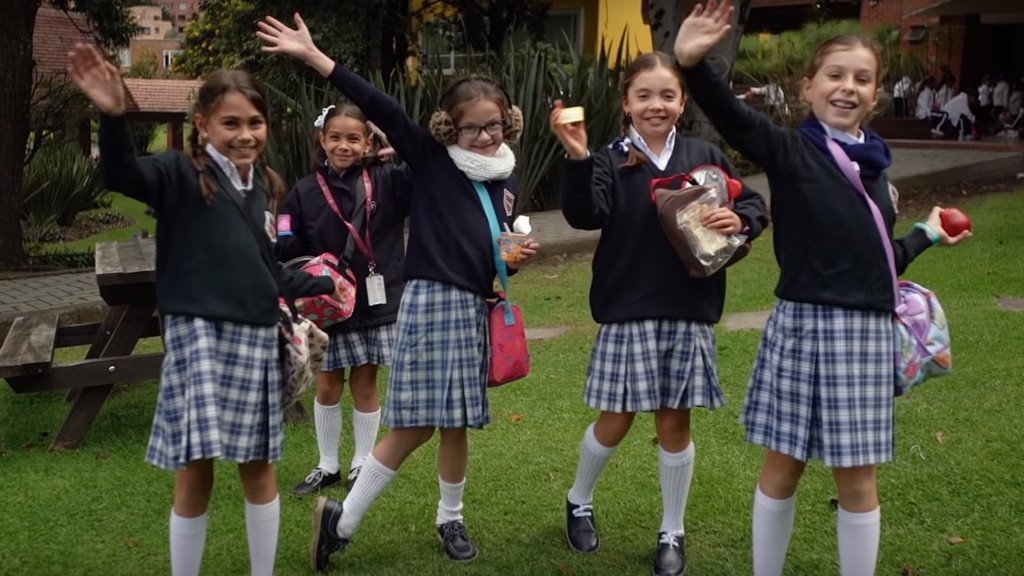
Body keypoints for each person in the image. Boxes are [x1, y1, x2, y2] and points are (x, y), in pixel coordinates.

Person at [671, 2, 971, 575]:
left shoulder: (877, 171)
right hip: (802, 326)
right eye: (834, 75)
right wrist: (693, 65)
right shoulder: (793, 150)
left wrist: (924, 234)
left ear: (876, 95)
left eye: (862, 78)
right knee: (782, 465)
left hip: (863, 335)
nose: (847, 87)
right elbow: (736, 119)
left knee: (857, 474)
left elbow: (876, 264)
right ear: (807, 88)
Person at [256, 13, 541, 572]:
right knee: (415, 424)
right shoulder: (432, 159)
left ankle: (449, 516)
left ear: (509, 122)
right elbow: (378, 102)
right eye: (471, 128)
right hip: (433, 305)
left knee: (458, 423)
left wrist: (510, 260)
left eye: (494, 125)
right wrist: (316, 57)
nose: (484, 136)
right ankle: (342, 521)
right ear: (448, 130)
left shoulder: (504, 173)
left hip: (474, 304)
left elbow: (487, 247)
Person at [67, 44, 341, 576]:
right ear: (203, 124)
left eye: (255, 122)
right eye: (230, 122)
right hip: (199, 338)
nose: (244, 134)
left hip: (259, 335)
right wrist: (113, 115)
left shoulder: (264, 187)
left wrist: (319, 281)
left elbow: (265, 268)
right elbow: (121, 175)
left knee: (258, 465)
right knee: (194, 468)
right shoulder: (176, 173)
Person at [550, 51, 768, 576]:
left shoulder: (703, 154)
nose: (656, 104)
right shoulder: (608, 157)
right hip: (627, 309)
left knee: (675, 425)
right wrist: (578, 157)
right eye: (644, 95)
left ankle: (673, 530)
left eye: (667, 95)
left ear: (682, 101)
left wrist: (737, 217)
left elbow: (755, 205)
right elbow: (584, 214)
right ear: (626, 102)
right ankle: (578, 501)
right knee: (615, 420)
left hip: (689, 307)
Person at [277, 103, 411, 497]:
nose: (344, 145)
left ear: (369, 142)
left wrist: (396, 152)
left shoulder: (388, 180)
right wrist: (284, 244)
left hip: (376, 298)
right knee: (328, 381)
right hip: (327, 303)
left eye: (354, 138)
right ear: (322, 139)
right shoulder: (302, 190)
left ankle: (362, 463)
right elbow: (287, 234)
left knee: (366, 380)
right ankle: (327, 464)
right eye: (335, 137)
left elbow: (423, 180)